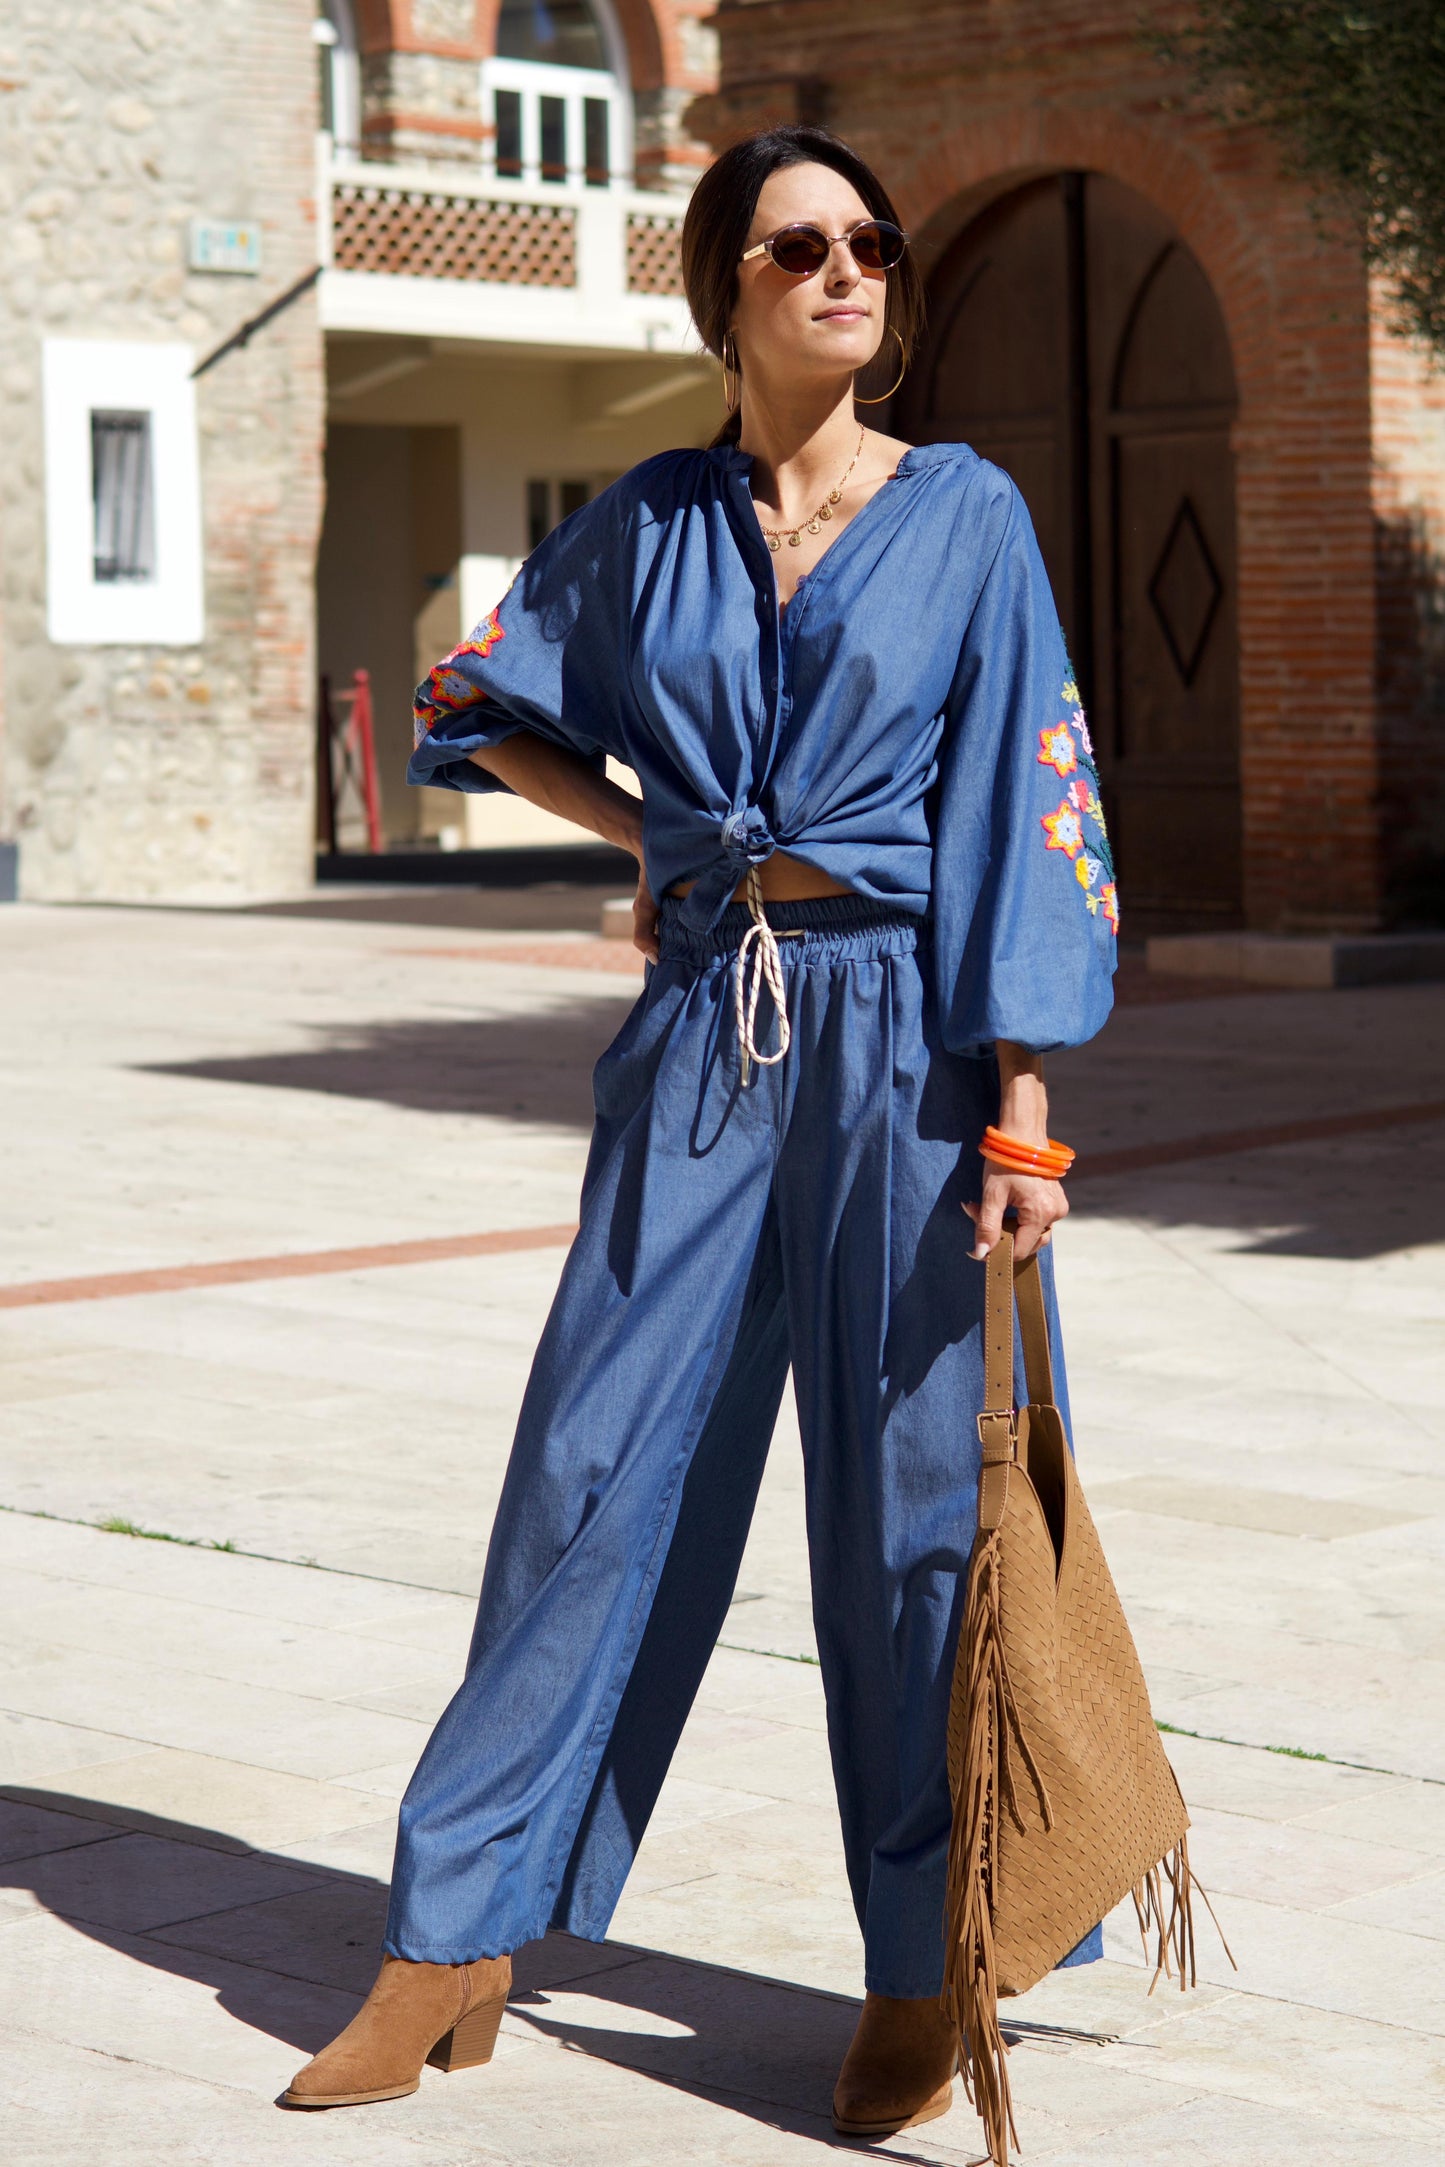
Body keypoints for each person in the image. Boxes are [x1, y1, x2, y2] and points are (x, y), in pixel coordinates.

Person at [284, 123, 1117, 2134]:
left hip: (913, 1058)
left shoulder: (971, 515)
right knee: (588, 1460)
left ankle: (925, 1970)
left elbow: (1030, 793)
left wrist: (1023, 1116)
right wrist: (663, 834)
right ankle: (452, 1936)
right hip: (706, 1038)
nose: (847, 270)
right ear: (723, 292)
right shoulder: (651, 520)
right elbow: (471, 704)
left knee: (915, 1518)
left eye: (872, 243)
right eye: (796, 247)